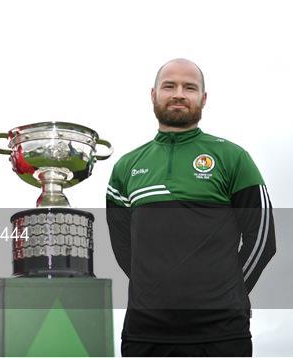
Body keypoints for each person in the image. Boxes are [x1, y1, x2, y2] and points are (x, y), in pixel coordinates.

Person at [106, 58, 276, 357]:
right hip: (145, 331)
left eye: (190, 87)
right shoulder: (126, 167)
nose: (179, 94)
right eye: (169, 86)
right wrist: (156, 291)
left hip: (221, 331)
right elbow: (123, 246)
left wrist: (228, 296)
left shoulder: (233, 157)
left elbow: (262, 240)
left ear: (203, 98)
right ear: (153, 94)